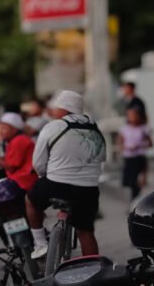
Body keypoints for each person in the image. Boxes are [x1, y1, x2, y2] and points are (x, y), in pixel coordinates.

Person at [27, 90, 106, 258]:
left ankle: (40, 243)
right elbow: (101, 159)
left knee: (30, 201)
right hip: (89, 189)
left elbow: (38, 164)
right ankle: (92, 270)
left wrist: (43, 176)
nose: (54, 111)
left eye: (56, 108)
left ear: (63, 109)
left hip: (57, 184)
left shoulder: (53, 126)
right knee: (86, 232)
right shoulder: (94, 127)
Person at [116, 107, 154, 202]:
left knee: (135, 182)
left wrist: (140, 145)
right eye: (129, 115)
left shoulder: (143, 128)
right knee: (128, 181)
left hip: (139, 157)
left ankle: (135, 200)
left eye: (133, 115)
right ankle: (133, 200)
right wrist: (125, 147)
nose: (131, 117)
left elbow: (150, 143)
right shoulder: (125, 129)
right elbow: (120, 142)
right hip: (128, 157)